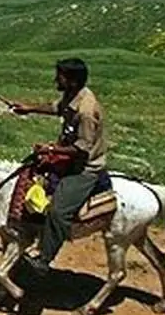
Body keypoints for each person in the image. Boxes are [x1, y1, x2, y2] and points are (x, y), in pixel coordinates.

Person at [8, 57, 107, 276]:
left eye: (60, 76)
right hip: (67, 159)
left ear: (71, 80)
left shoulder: (86, 111)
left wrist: (51, 150)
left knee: (58, 211)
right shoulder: (73, 96)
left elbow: (82, 149)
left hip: (84, 168)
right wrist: (29, 108)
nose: (56, 80)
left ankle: (44, 260)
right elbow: (57, 107)